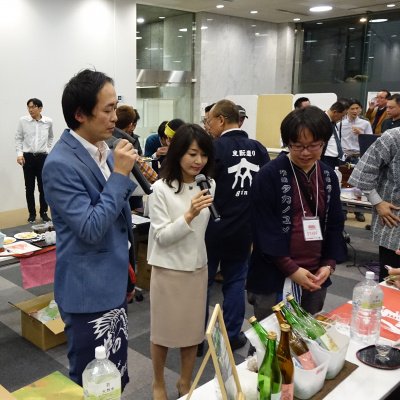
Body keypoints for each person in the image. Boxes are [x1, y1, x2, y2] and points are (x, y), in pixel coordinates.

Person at [42, 69, 137, 390]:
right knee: (91, 380)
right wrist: (120, 175)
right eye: (107, 110)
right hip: (88, 291)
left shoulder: (103, 150)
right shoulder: (60, 163)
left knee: (114, 375)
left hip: (113, 280)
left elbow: (118, 218)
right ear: (80, 114)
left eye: (116, 107)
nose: (115, 118)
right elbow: (91, 228)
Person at [247, 106, 345, 326]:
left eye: (313, 145)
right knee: (272, 338)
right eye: (298, 146)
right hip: (275, 275)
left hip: (316, 275)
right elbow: (263, 227)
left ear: (324, 142)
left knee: (309, 336)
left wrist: (328, 264)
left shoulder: (328, 175)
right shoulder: (269, 175)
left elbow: (335, 222)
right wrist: (291, 269)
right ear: (287, 143)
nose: (306, 153)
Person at [146, 124, 215, 400]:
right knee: (162, 333)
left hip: (197, 268)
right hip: (168, 269)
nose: (199, 161)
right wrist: (189, 214)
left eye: (204, 155)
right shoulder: (159, 189)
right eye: (192, 154)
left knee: (193, 332)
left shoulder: (208, 184)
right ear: (178, 153)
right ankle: (158, 383)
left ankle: (185, 382)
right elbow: (161, 237)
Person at [205, 100, 270, 351]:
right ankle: (231, 336)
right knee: (235, 283)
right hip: (245, 228)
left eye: (209, 121)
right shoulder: (259, 148)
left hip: (212, 227)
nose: (208, 126)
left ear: (221, 120)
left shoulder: (213, 148)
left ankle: (197, 339)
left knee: (203, 284)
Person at [348, 127, 400, 282]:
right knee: (392, 280)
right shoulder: (393, 137)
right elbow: (363, 172)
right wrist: (378, 203)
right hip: (394, 223)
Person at [15, 98, 54, 223]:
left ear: (40, 108)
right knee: (29, 187)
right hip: (28, 157)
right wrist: (19, 154)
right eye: (29, 107)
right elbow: (18, 138)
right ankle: (32, 213)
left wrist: (47, 149)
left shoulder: (48, 122)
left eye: (33, 107)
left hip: (42, 157)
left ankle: (43, 212)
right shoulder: (23, 121)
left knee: (43, 187)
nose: (30, 110)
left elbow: (51, 137)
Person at [320, 101, 349, 169]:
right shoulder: (321, 121)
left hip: (335, 159)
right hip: (325, 158)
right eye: (342, 115)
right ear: (334, 112)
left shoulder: (333, 122)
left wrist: (339, 148)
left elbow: (333, 138)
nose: (341, 119)